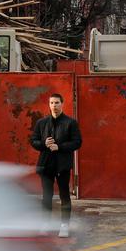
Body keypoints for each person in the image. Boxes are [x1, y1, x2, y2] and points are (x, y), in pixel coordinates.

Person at [30, 92, 83, 238]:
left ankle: (64, 225)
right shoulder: (41, 122)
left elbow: (77, 142)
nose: (54, 106)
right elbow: (33, 140)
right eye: (52, 103)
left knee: (64, 195)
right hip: (46, 165)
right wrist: (43, 144)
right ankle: (46, 224)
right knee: (46, 196)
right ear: (49, 105)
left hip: (62, 165)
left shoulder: (70, 122)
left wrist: (59, 147)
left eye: (57, 103)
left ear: (62, 104)